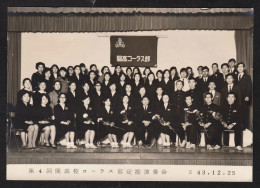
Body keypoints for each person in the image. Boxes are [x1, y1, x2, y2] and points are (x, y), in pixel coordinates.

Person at [235, 62, 252, 130]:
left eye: (241, 66)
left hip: (244, 98)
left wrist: (247, 96)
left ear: (244, 68)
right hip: (236, 99)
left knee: (245, 113)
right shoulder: (235, 76)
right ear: (237, 68)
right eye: (238, 66)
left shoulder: (247, 76)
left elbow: (249, 87)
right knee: (237, 113)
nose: (240, 68)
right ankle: (238, 127)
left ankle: (245, 128)